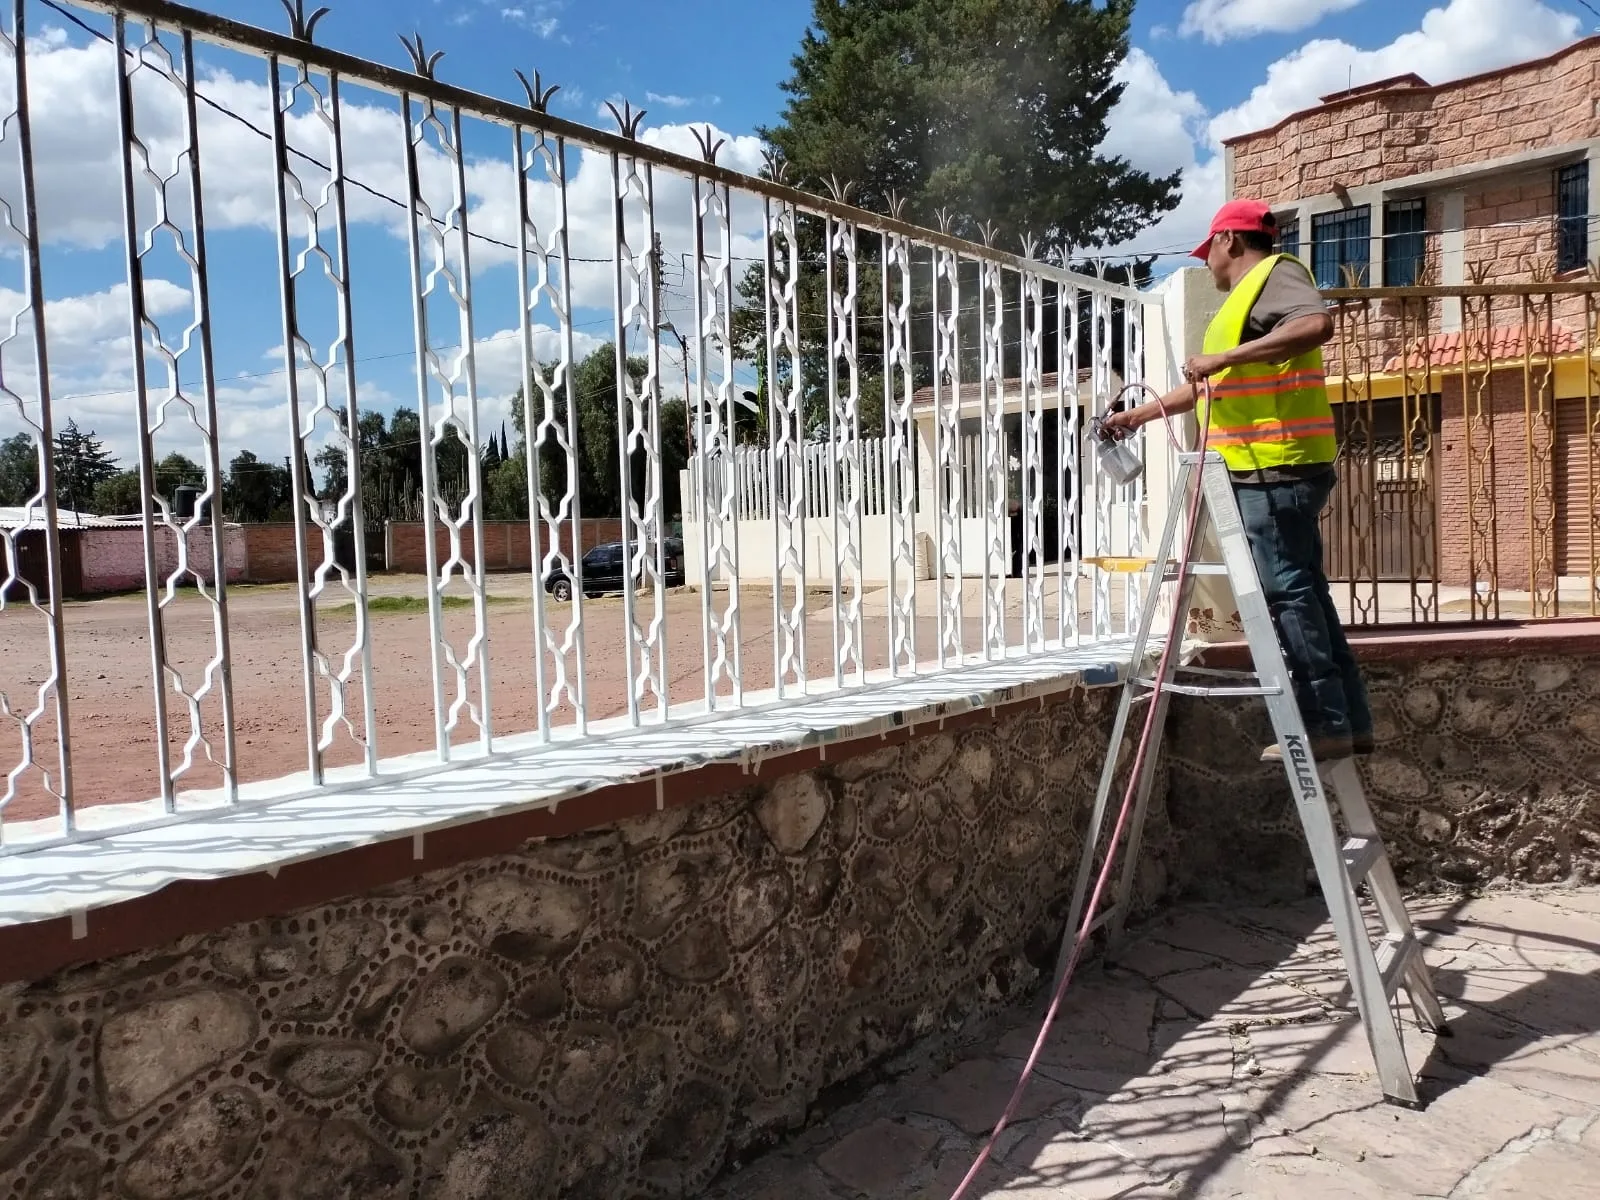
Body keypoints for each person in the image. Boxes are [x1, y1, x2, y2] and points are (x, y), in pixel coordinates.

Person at [1105, 198, 1372, 763]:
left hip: (1273, 464)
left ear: (1230, 240)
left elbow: (1316, 324)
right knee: (1305, 590)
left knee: (1287, 592)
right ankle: (1349, 718)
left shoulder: (1276, 276)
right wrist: (1138, 416)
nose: (1209, 265)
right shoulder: (1244, 306)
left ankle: (1324, 721)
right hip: (1271, 464)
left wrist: (1223, 354)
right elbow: (1214, 385)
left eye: (1210, 253)